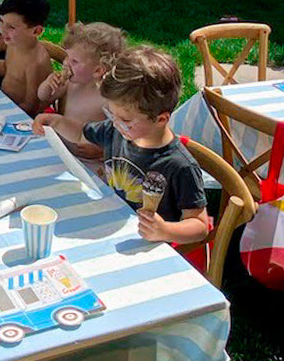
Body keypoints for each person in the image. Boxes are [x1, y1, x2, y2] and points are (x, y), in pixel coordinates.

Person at [36, 45, 209, 250]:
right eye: (112, 113)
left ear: (161, 119)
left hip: (149, 247)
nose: (116, 122)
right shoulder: (117, 130)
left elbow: (200, 225)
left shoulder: (179, 165)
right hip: (112, 224)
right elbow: (82, 134)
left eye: (125, 119)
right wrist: (55, 122)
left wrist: (166, 230)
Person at [36, 20, 127, 134]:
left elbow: (115, 134)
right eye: (67, 57)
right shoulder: (70, 83)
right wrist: (48, 85)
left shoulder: (107, 100)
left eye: (74, 61)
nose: (65, 63)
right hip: (59, 141)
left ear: (98, 70)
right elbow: (44, 97)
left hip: (82, 150)